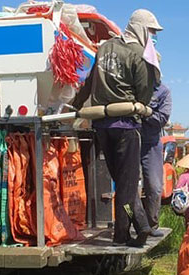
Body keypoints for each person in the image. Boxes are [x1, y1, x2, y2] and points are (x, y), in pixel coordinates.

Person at [72, 9, 163, 246]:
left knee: (123, 183)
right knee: (127, 184)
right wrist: (141, 106)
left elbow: (89, 83)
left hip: (102, 126)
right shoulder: (138, 54)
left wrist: (74, 106)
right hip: (126, 125)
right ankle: (125, 234)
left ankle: (138, 226)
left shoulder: (104, 49)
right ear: (141, 28)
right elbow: (143, 93)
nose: (152, 36)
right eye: (151, 31)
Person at [140, 82, 172, 236]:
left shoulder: (163, 91)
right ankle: (127, 226)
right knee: (128, 187)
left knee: (155, 186)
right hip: (129, 139)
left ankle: (151, 226)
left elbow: (162, 118)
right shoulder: (132, 84)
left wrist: (145, 112)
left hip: (150, 144)